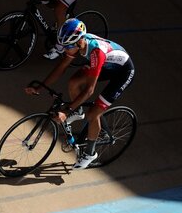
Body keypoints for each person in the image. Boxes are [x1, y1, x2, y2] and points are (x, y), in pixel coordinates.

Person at [25, 18, 134, 169]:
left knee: (93, 114)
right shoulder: (77, 44)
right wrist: (40, 87)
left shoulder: (96, 52)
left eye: (67, 46)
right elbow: (61, 67)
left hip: (123, 72)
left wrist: (67, 110)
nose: (65, 50)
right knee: (73, 82)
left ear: (78, 42)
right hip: (107, 66)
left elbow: (90, 90)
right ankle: (78, 111)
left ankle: (90, 153)